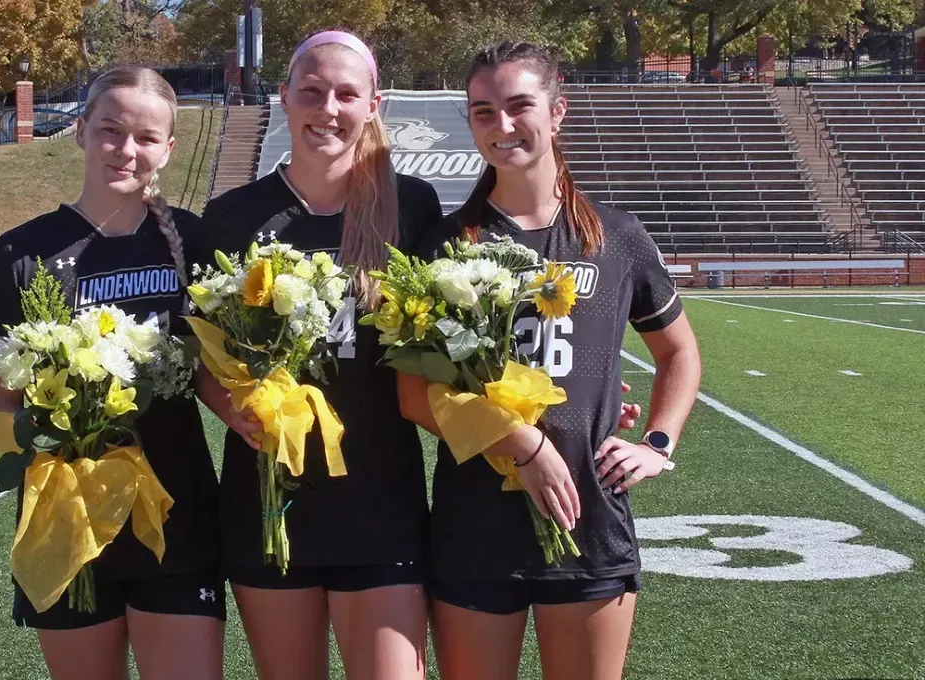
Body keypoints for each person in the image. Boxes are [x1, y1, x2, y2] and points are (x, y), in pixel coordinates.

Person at [398, 40, 702, 680]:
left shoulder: (615, 235)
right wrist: (524, 447)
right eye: (483, 111)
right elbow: (413, 395)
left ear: (557, 112)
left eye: (519, 106)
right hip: (475, 525)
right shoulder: (445, 244)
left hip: (590, 517)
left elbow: (679, 352)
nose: (502, 126)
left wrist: (657, 442)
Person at [195, 30, 442, 680]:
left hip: (380, 501)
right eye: (311, 91)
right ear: (284, 98)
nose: (327, 108)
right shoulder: (231, 217)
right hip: (270, 501)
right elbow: (199, 351)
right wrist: (232, 409)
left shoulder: (410, 207)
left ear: (373, 104)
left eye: (345, 94)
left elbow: (450, 338)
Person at [0, 65, 224, 680]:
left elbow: (221, 371)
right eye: (110, 130)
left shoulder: (194, 243)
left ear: (168, 148)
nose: (126, 149)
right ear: (81, 132)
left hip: (174, 510)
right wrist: (72, 446)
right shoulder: (20, 252)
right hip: (67, 521)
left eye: (145, 137)